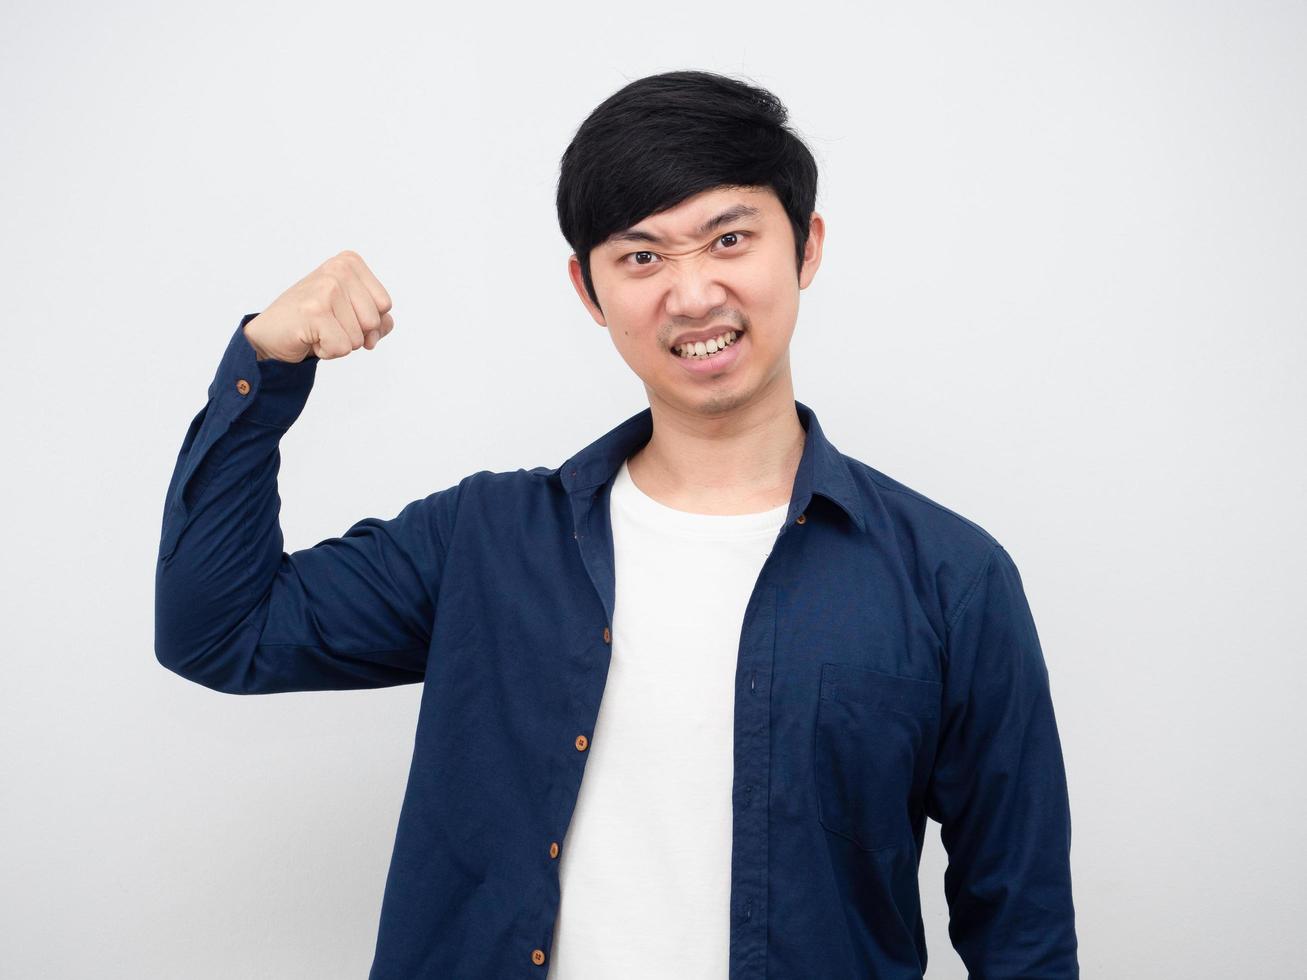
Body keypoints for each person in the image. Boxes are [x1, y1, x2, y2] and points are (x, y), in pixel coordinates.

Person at [155, 69, 1078, 979]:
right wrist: (264, 365)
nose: (691, 295)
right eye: (642, 257)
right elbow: (219, 633)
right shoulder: (484, 540)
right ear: (587, 290)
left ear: (804, 248)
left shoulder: (949, 577)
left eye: (728, 239)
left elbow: (1020, 925)